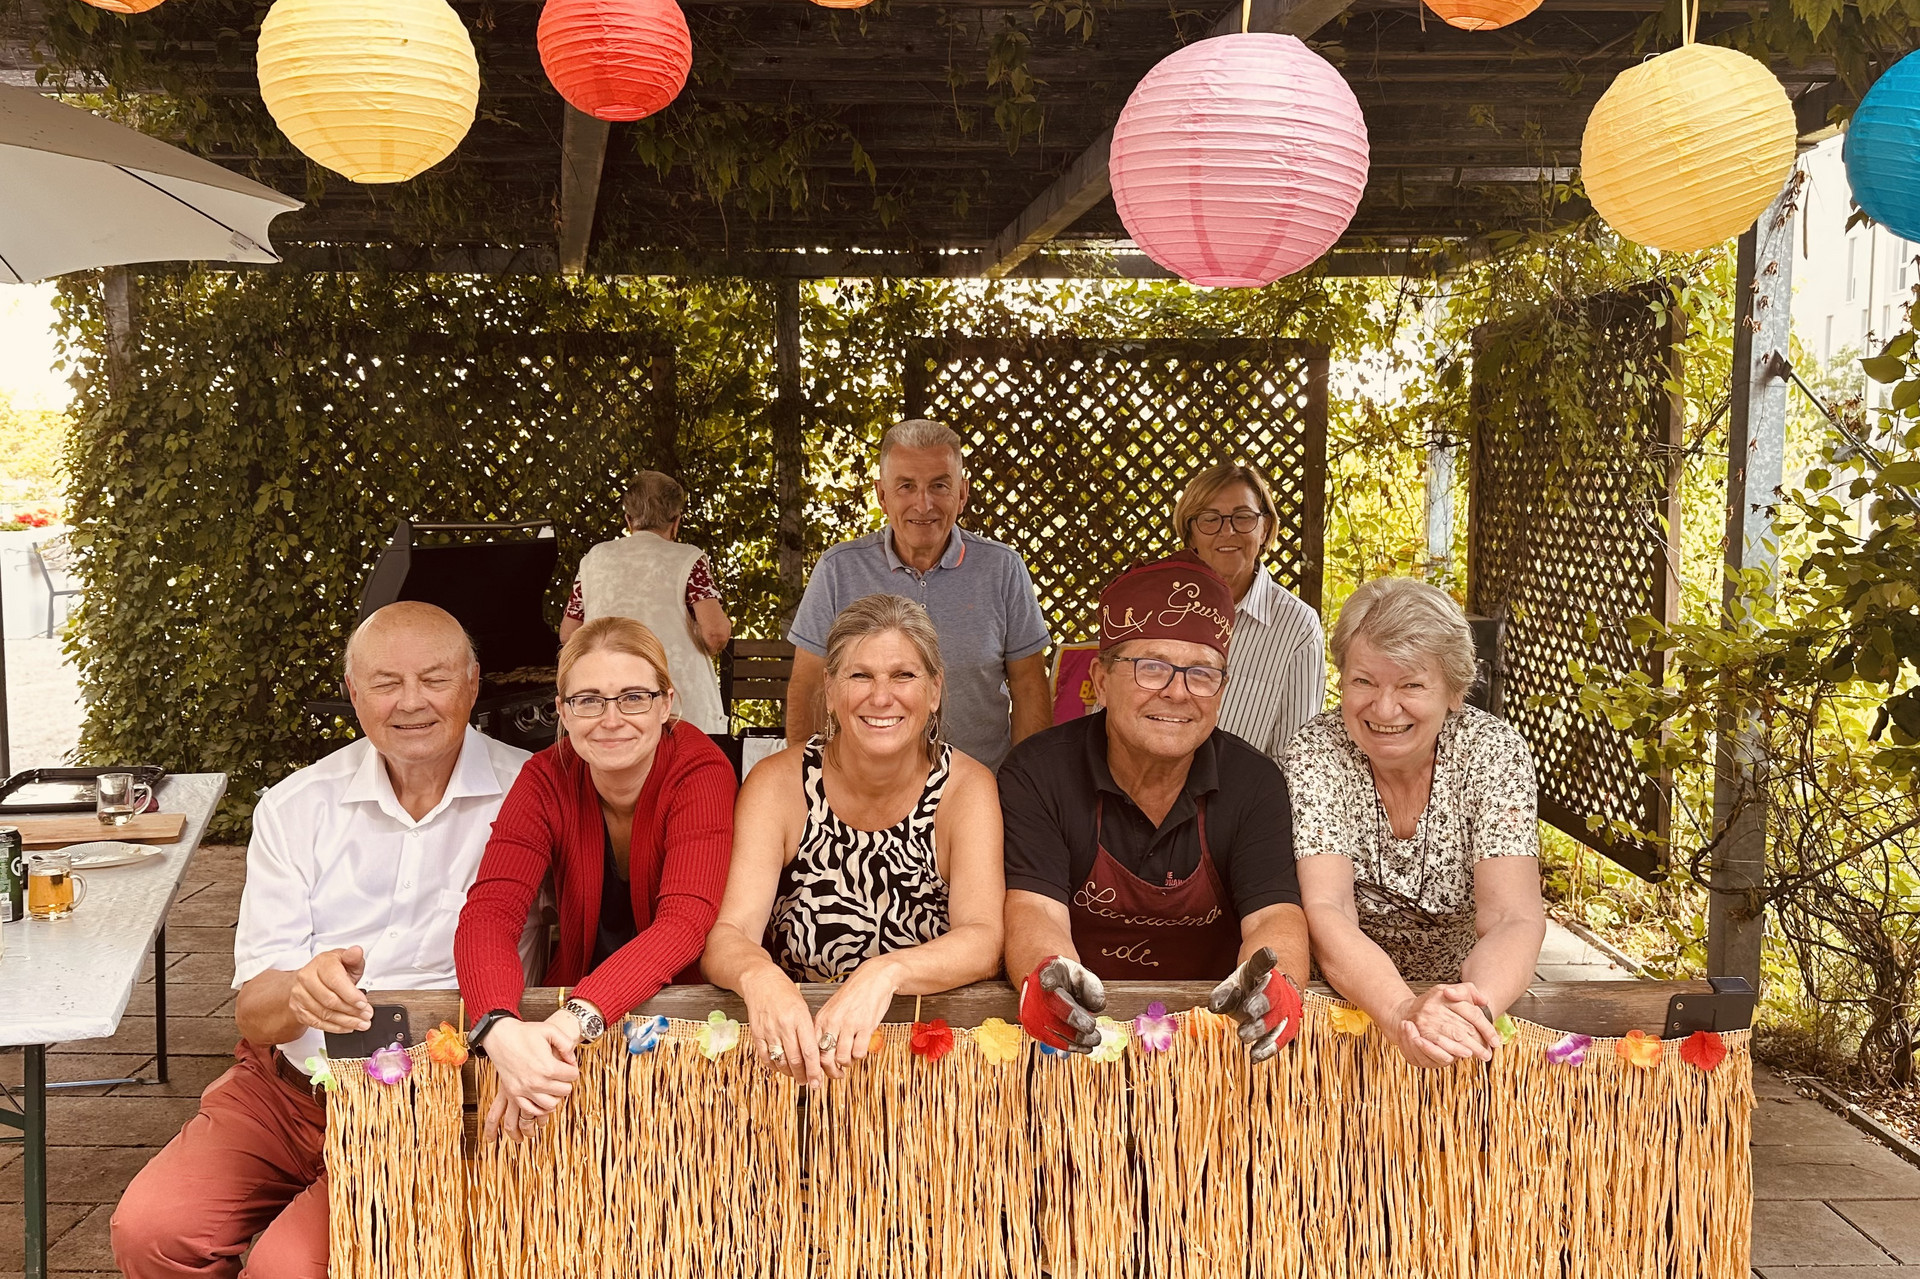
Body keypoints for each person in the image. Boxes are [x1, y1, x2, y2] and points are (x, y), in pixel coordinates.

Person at [113, 602, 538, 1279]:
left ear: (473, 683)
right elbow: (254, 1010)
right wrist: (302, 991)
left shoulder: (533, 793)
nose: (411, 702)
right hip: (288, 1092)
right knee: (154, 1230)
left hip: (430, 1102)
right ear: (352, 691)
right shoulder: (297, 804)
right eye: (385, 682)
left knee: (289, 1267)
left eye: (433, 678)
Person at [999, 554, 1310, 1061]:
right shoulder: (1038, 774)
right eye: (1152, 669)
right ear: (1100, 679)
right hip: (1075, 1048)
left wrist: (1279, 985)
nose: (1177, 692)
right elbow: (1034, 909)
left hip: (1217, 1051)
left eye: (1202, 674)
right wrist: (1048, 979)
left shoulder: (1253, 783)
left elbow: (1274, 915)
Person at [705, 594, 1005, 1085]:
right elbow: (728, 934)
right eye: (860, 675)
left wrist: (883, 974)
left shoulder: (966, 788)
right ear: (829, 690)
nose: (881, 697)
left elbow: (983, 938)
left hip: (927, 1064)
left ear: (934, 690)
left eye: (903, 676)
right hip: (796, 1064)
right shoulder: (777, 783)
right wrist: (759, 977)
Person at [456, 616, 736, 1138]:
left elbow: (684, 925)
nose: (611, 719)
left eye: (633, 696)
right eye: (588, 699)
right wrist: (500, 1030)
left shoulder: (700, 769)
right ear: (562, 710)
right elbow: (491, 913)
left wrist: (568, 1026)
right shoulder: (545, 776)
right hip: (568, 1031)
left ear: (666, 702)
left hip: (690, 1023)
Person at [1285, 577, 1546, 1070]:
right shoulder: (1316, 751)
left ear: (1454, 692)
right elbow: (1328, 906)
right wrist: (1402, 1011)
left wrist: (1467, 1015)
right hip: (1342, 1002)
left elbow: (1513, 917)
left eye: (1411, 685)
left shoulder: (1492, 752)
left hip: (1463, 1009)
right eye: (1363, 681)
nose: (1384, 708)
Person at [785, 418, 1051, 771]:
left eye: (939, 486)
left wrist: (1023, 788)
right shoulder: (838, 569)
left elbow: (1029, 686)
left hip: (979, 790)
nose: (923, 504)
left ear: (962, 494)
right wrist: (813, 781)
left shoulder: (1003, 569)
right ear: (882, 495)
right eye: (906, 486)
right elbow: (809, 689)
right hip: (862, 793)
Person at [1174, 462, 1325, 763]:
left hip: (1239, 808)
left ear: (1265, 528)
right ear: (1190, 534)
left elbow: (1294, 758)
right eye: (1210, 519)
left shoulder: (1297, 628)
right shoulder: (1161, 609)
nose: (1227, 531)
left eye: (1243, 517)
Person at [560, 470, 731, 734]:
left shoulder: (594, 559)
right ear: (676, 521)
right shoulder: (689, 560)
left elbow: (570, 634)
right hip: (679, 709)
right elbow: (716, 633)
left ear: (629, 520)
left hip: (608, 706)